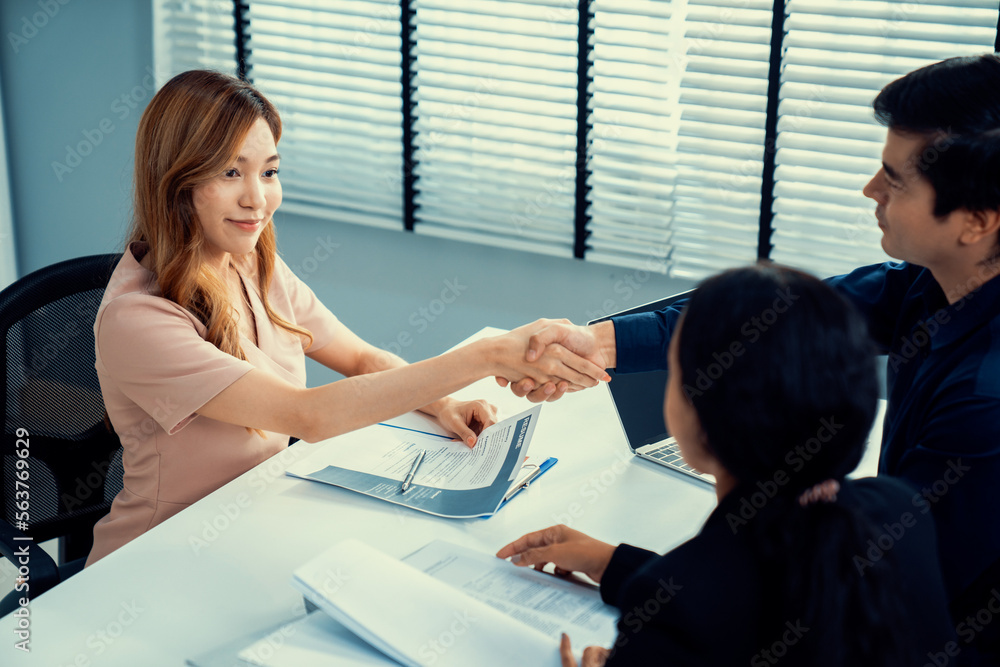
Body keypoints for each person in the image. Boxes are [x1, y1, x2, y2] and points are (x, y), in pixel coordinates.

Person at [506, 53, 1000, 662]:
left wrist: (664, 601)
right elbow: (767, 315)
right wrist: (600, 343)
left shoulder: (985, 403)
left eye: (894, 181)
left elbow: (867, 602)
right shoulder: (929, 285)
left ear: (976, 220)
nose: (869, 189)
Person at [85, 70, 608, 566]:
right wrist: (489, 356)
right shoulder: (137, 320)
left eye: (269, 171)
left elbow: (359, 357)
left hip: (253, 519)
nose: (257, 198)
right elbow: (307, 416)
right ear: (176, 180)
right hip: (159, 557)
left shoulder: (248, 262)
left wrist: (443, 403)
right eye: (230, 172)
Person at [498, 264, 955, 666]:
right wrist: (615, 564)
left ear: (701, 425)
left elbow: (721, 606)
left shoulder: (686, 614)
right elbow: (768, 606)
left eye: (675, 374)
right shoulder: (899, 511)